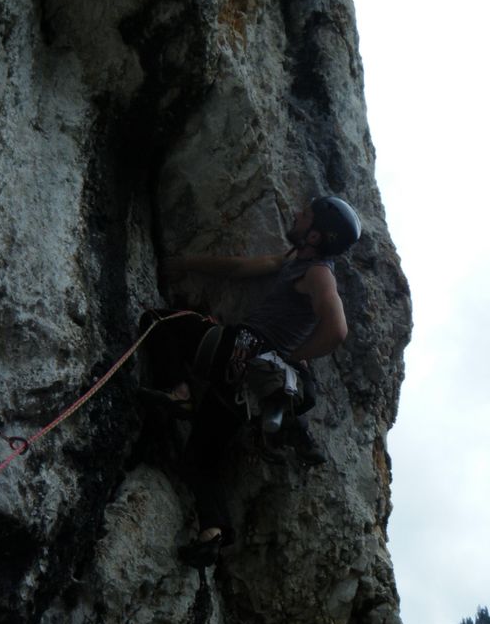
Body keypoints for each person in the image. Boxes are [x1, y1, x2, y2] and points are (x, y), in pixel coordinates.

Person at [140, 196, 361, 568]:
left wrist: (290, 354)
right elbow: (241, 267)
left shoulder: (319, 274)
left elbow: (337, 329)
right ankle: (212, 533)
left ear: (315, 236)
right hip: (246, 387)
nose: (297, 214)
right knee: (200, 459)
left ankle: (179, 392)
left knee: (158, 321)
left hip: (242, 349)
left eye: (305, 215)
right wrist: (188, 263)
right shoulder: (296, 260)